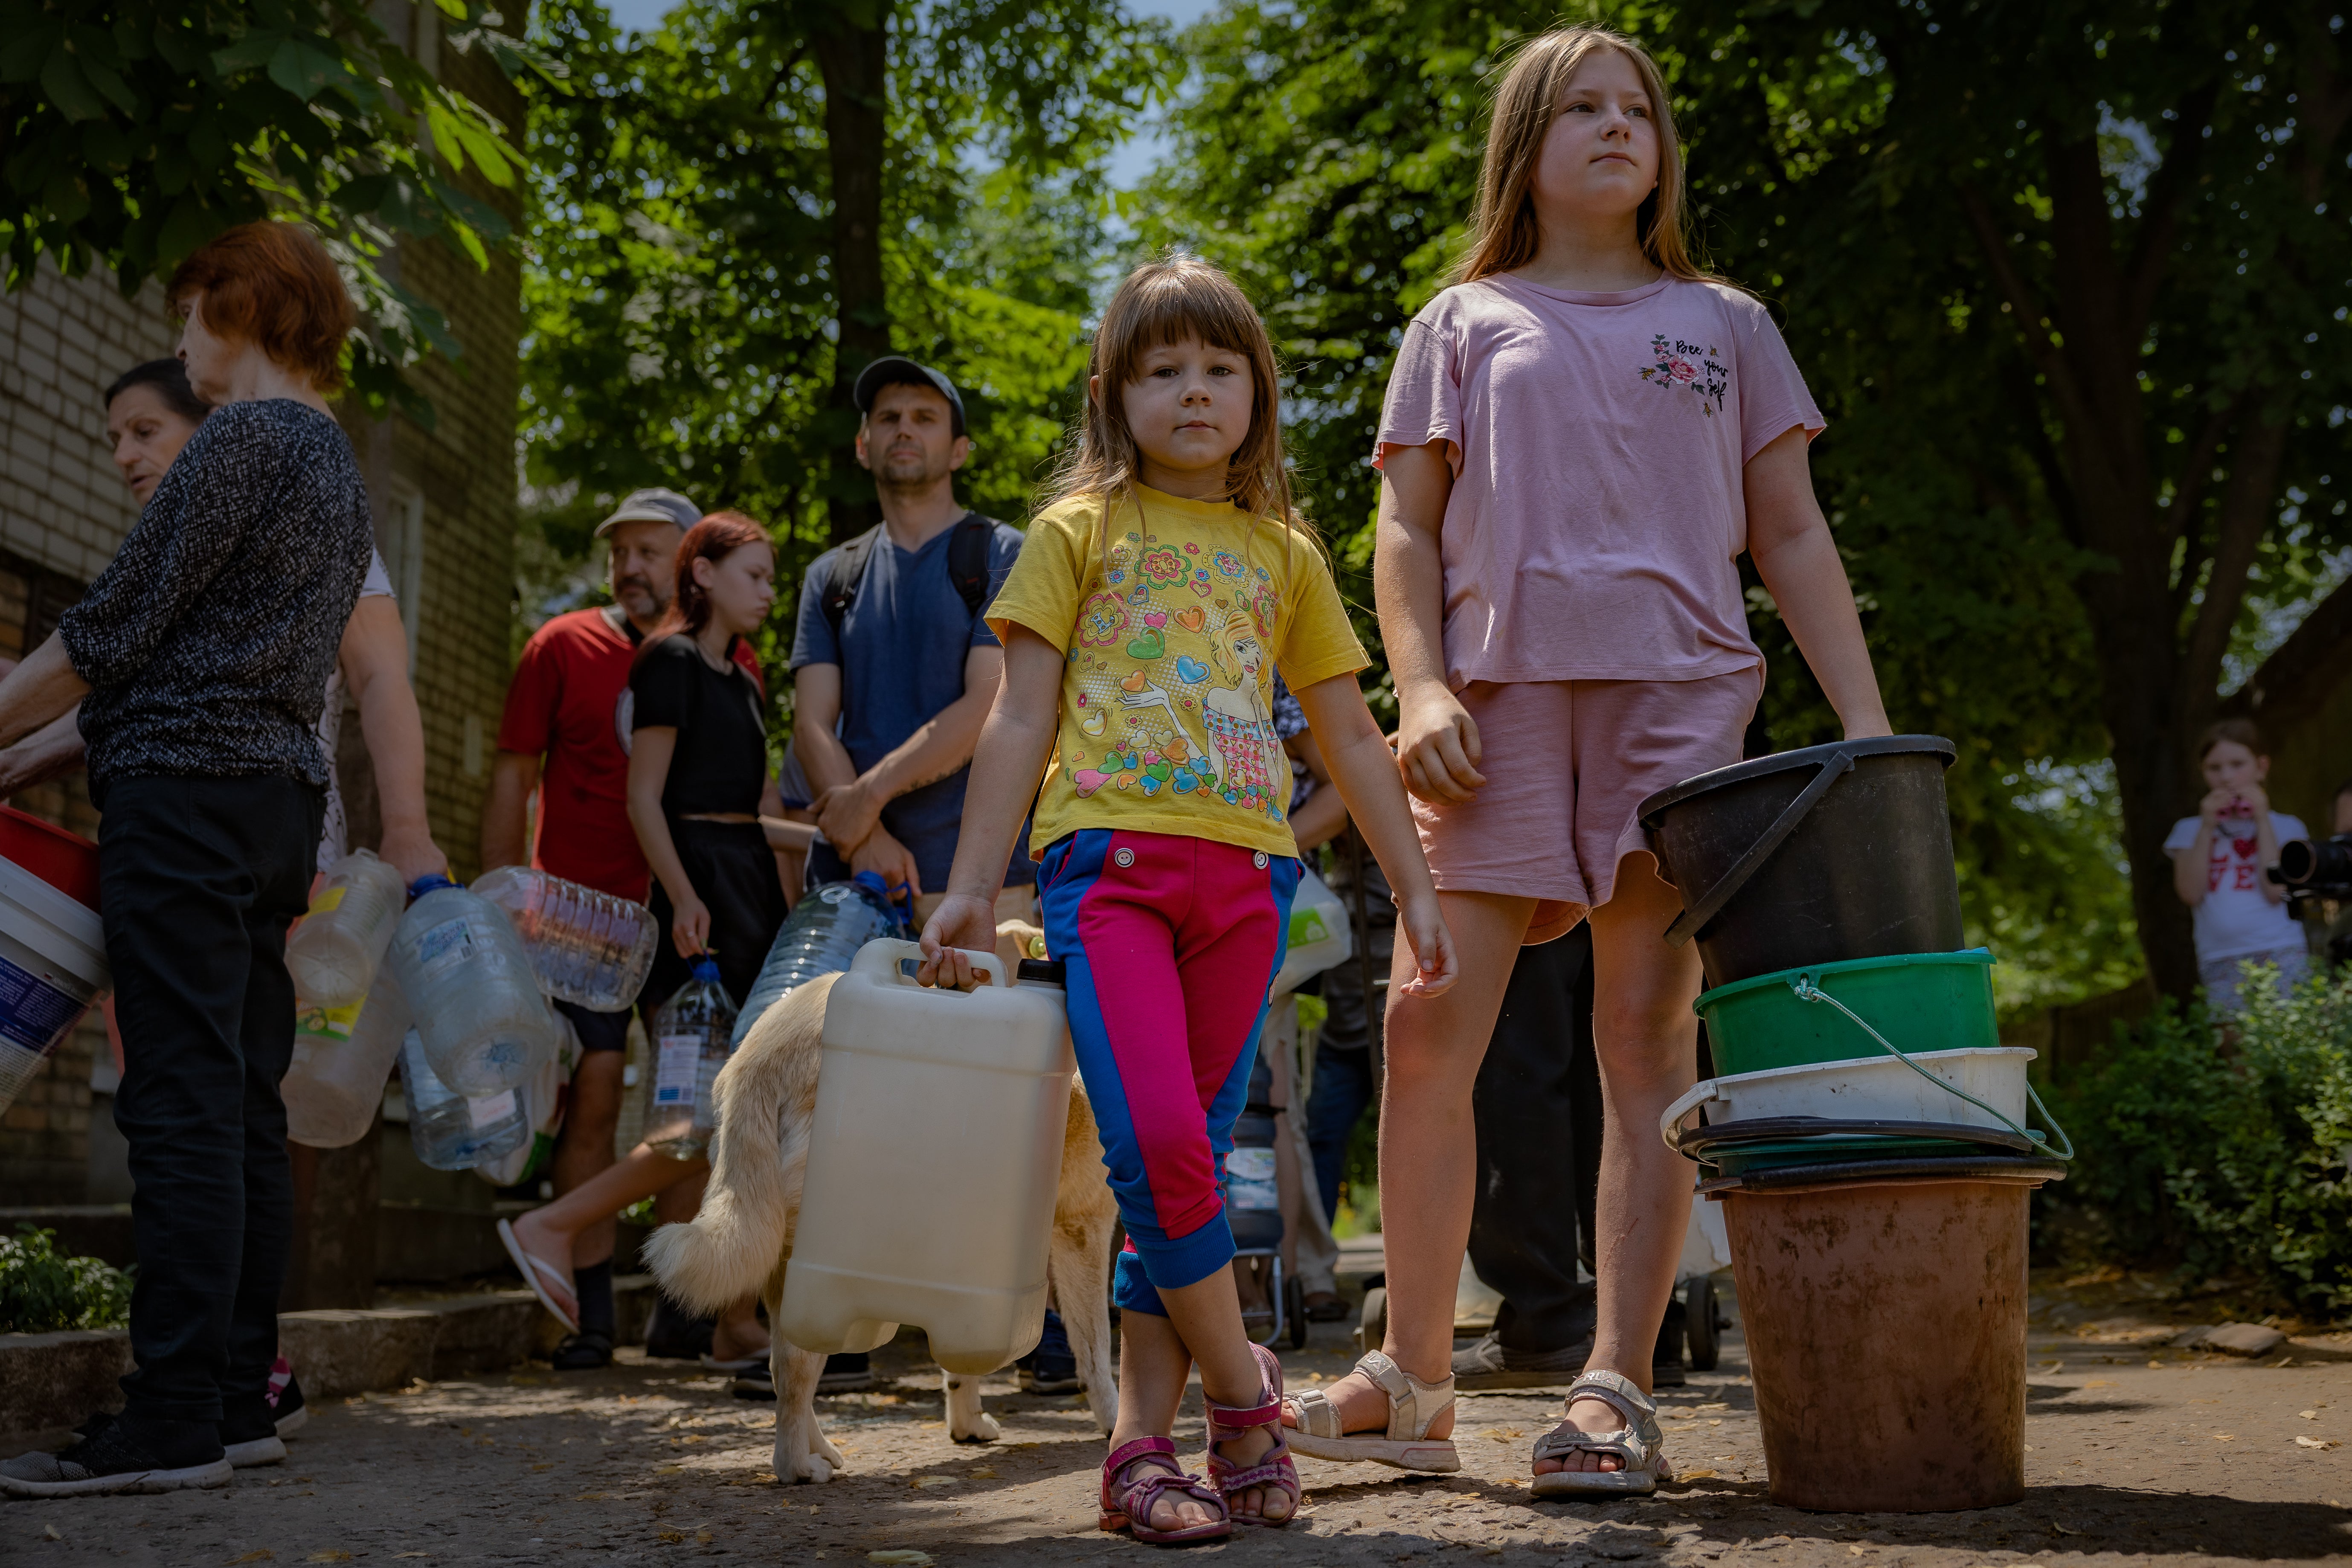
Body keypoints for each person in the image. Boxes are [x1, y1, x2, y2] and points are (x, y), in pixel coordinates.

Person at [1290, 28, 1890, 1497]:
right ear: (1525, 147)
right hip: (1491, 709)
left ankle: (1613, 1383)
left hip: (1680, 701)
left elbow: (1793, 531)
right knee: (1429, 1022)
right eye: (1581, 108)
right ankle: (1413, 1374)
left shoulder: (1727, 321)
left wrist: (1864, 724)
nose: (1617, 126)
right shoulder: (1461, 319)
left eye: (1639, 108)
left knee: (1642, 1032)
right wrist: (1416, 681)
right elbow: (1407, 529)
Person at [918, 252, 1458, 1542]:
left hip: (1246, 885)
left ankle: (1135, 1454)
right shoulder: (1074, 531)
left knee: (1191, 1179)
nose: (1194, 390)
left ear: (1258, 395)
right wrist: (961, 886)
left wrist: (1415, 885)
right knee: (1155, 1149)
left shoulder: (1282, 552)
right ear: (1116, 395)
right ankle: (1242, 1398)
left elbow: (1346, 728)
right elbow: (1017, 717)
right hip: (1102, 871)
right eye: (1163, 369)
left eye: (1220, 368)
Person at [0, 221, 379, 1497]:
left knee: (173, 1110)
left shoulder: (244, 439)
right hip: (272, 807)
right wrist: (38, 748)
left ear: (239, 305)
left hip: (186, 804)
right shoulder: (336, 464)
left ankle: (165, 1418)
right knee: (237, 1109)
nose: (178, 345)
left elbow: (111, 629)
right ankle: (229, 1403)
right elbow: (192, 649)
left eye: (189, 315)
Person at [499, 513, 799, 1372]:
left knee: (747, 1121)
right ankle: (549, 1225)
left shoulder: (743, 679)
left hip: (748, 907)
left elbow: (744, 817)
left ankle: (734, 1319)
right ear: (700, 574)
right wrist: (683, 897)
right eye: (754, 572)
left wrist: (832, 837)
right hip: (696, 917)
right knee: (694, 1123)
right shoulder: (666, 662)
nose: (769, 588)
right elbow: (646, 799)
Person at [0, 359, 447, 889]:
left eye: (145, 431)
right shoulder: (168, 551)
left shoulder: (304, 520)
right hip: (172, 829)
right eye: (115, 439)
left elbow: (381, 676)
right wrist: (15, 760)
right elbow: (131, 699)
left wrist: (408, 828)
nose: (123, 456)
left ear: (215, 428)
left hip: (273, 842)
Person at [790, 357, 1031, 922]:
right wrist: (864, 837)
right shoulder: (831, 575)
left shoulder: (1001, 554)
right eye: (888, 417)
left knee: (990, 1016)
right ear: (862, 445)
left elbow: (986, 707)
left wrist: (864, 800)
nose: (904, 428)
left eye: (925, 417)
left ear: (958, 451)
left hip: (980, 883)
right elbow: (810, 725)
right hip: (855, 881)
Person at [2166, 719, 2310, 1014]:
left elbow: (2277, 890)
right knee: (2235, 1050)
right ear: (2203, 772)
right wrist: (2207, 826)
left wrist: (2262, 819)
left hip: (2281, 950)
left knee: (2288, 1040)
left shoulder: (2287, 827)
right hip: (2220, 955)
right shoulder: (2188, 830)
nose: (2227, 777)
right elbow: (2190, 893)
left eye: (2237, 764)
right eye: (2215, 768)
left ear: (2261, 767)